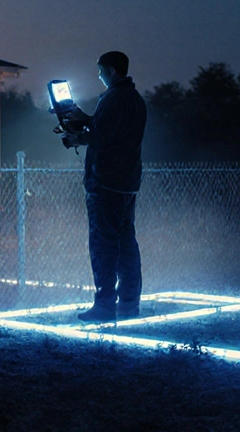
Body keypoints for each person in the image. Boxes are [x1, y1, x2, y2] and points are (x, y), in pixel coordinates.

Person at [61, 51, 147, 323]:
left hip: (106, 183)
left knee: (103, 245)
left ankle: (104, 305)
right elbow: (112, 131)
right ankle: (129, 303)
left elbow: (101, 137)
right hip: (127, 183)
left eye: (100, 70)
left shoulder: (112, 98)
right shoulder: (135, 99)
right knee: (126, 244)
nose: (98, 75)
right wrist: (84, 118)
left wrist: (75, 138)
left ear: (111, 69)